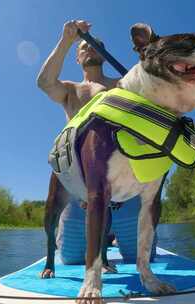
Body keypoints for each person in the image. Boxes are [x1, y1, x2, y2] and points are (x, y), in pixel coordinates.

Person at [37, 20, 156, 267]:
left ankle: (109, 235)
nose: (90, 49)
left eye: (96, 46)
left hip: (125, 185)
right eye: (84, 48)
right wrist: (67, 39)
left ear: (104, 54)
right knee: (70, 259)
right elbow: (45, 83)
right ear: (77, 59)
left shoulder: (123, 85)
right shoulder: (70, 90)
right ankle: (101, 236)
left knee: (142, 258)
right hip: (78, 183)